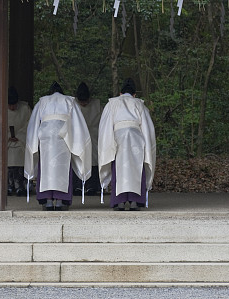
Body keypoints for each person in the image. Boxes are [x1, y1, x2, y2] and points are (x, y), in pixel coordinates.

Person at [24, 82, 92, 211]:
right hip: (63, 135)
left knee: (46, 167)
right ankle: (61, 200)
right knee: (62, 167)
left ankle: (48, 200)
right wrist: (78, 141)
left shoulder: (42, 102)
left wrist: (33, 141)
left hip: (45, 137)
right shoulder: (69, 101)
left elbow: (33, 124)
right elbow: (78, 124)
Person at [98, 78, 157, 211]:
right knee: (136, 168)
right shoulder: (139, 104)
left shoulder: (112, 104)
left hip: (118, 137)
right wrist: (146, 147)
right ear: (134, 94)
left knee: (119, 168)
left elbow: (105, 126)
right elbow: (148, 129)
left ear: (120, 93)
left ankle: (119, 202)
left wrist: (108, 143)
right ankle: (135, 202)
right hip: (136, 138)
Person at [74, 82, 102, 196]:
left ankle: (93, 186)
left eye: (85, 101)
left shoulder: (97, 105)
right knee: (77, 158)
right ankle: (77, 185)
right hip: (78, 136)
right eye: (81, 101)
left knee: (93, 159)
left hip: (93, 135)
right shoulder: (73, 104)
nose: (84, 104)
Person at [7, 86, 32, 196]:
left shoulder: (25, 108)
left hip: (21, 141)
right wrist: (8, 135)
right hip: (6, 143)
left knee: (21, 161)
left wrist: (20, 136)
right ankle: (8, 185)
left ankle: (21, 186)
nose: (12, 107)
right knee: (8, 162)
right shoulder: (0, 109)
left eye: (14, 104)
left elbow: (30, 124)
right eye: (10, 105)